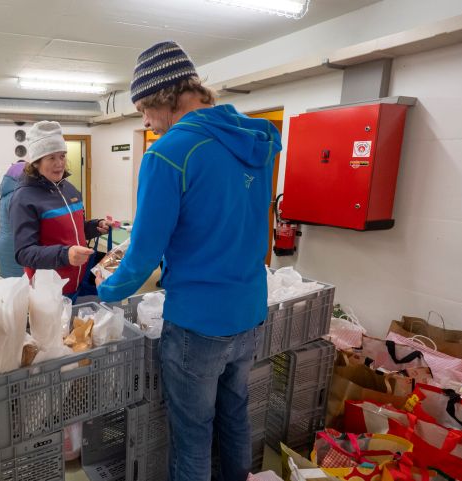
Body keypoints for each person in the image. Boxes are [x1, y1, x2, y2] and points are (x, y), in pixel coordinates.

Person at [96, 41, 282, 481]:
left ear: (167, 96)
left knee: (194, 435)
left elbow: (142, 254)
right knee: (235, 415)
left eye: (145, 108)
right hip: (251, 310)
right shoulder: (255, 140)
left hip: (199, 322)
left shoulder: (167, 153)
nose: (145, 121)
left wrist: (104, 288)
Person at [9, 121, 110, 297]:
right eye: (51, 158)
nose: (59, 163)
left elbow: (72, 230)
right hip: (50, 289)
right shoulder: (24, 198)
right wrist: (65, 254)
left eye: (62, 156)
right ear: (36, 162)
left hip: (78, 279)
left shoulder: (69, 189)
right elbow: (23, 253)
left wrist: (95, 226)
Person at [0, 160, 26, 278]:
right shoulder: (17, 196)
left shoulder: (7, 194)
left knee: (10, 285)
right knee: (19, 286)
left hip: (4, 243)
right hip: (14, 247)